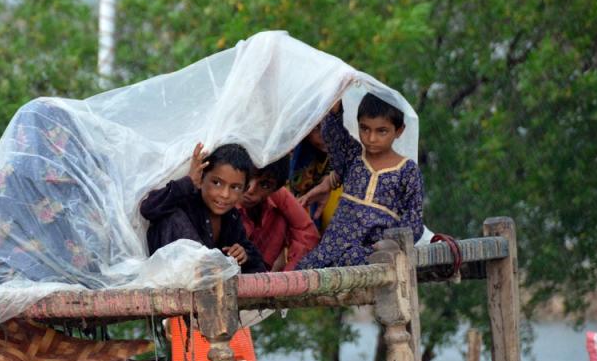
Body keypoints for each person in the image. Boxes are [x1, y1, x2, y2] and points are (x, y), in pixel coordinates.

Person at [297, 94, 423, 268]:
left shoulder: (408, 171)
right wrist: (335, 110)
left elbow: (413, 219)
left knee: (355, 264)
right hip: (332, 247)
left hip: (373, 252)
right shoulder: (353, 156)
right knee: (305, 271)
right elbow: (334, 136)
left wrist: (392, 245)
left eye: (382, 131)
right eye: (365, 129)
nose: (371, 138)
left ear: (399, 130)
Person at [140, 143, 267, 274]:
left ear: (244, 190)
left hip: (207, 284)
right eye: (216, 183)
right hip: (172, 279)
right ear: (201, 180)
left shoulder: (232, 218)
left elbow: (256, 261)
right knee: (172, 216)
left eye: (235, 187)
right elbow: (148, 208)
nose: (225, 194)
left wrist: (243, 254)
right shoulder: (185, 202)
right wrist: (188, 182)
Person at [239, 156, 320, 271]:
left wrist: (288, 277)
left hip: (262, 271)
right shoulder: (221, 195)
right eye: (247, 177)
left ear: (275, 188)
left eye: (264, 185)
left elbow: (307, 233)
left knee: (282, 217)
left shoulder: (278, 192)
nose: (251, 189)